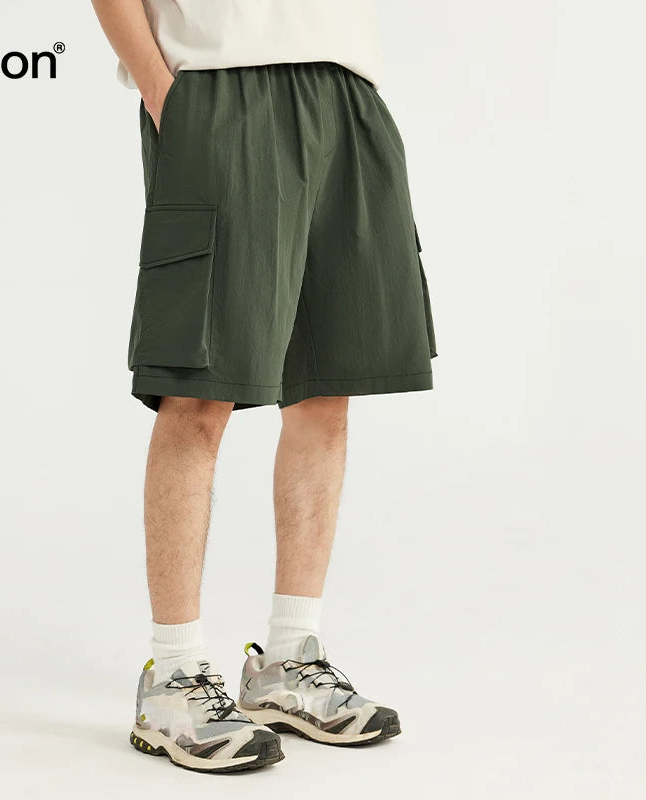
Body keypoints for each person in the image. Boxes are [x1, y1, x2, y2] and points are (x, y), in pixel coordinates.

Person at [90, 0, 437, 773]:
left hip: (347, 93)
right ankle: (173, 674)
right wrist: (164, 93)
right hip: (220, 88)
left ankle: (289, 659)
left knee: (326, 387)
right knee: (198, 388)